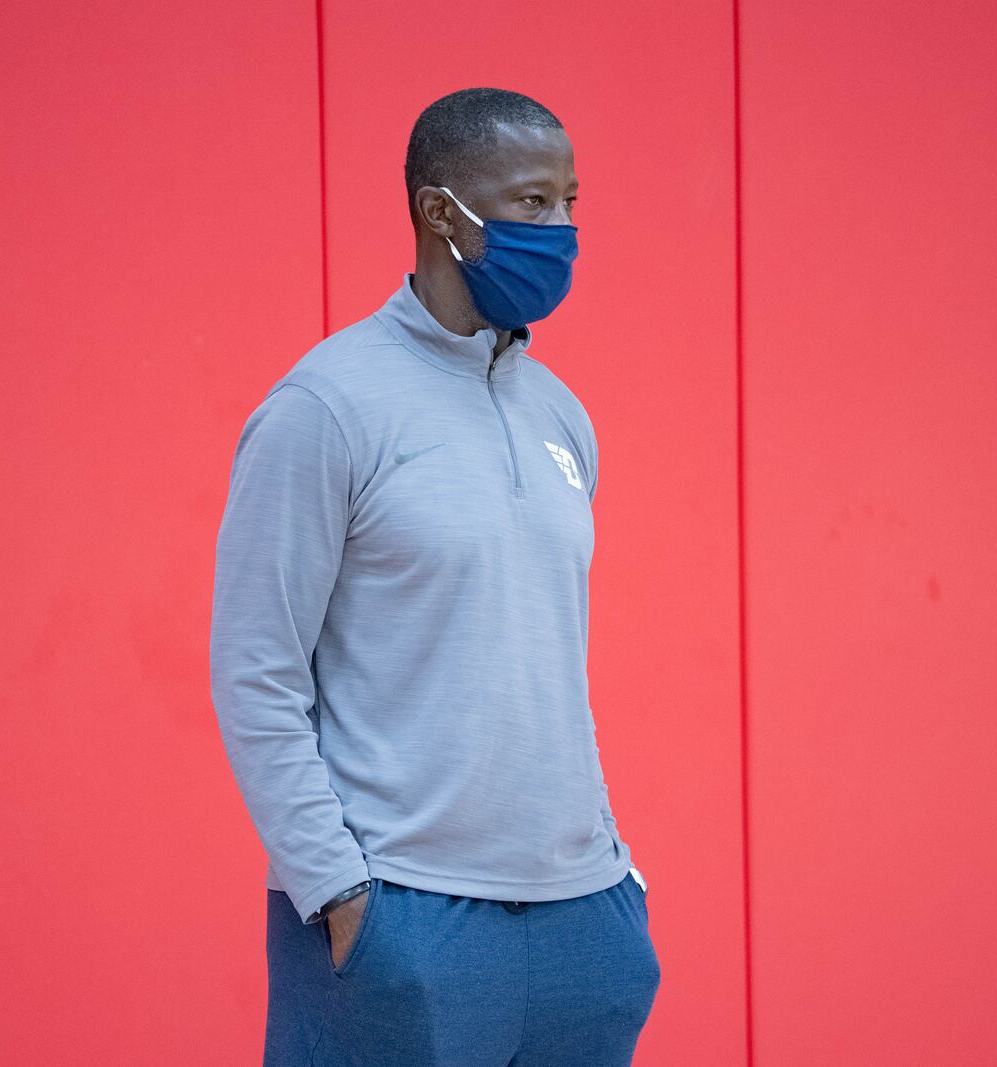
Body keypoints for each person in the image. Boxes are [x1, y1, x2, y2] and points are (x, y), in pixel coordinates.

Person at [209, 87, 660, 1067]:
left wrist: (620, 889)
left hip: (583, 916)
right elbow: (256, 672)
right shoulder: (324, 408)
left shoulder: (562, 418)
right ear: (440, 211)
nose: (563, 229)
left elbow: (541, 656)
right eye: (532, 202)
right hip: (404, 912)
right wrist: (337, 890)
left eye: (571, 201)